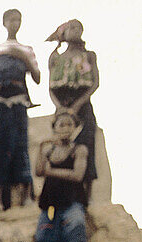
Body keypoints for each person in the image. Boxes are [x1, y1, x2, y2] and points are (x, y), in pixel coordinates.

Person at [0, 8, 40, 211]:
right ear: (4, 23)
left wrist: (21, 56)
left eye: (18, 20)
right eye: (11, 20)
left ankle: (24, 198)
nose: (15, 23)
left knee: (21, 145)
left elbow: (37, 77)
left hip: (18, 101)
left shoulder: (27, 49)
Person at [34, 110, 89, 242]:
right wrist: (41, 148)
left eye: (69, 125)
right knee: (43, 236)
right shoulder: (49, 151)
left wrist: (52, 171)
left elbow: (77, 175)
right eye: (61, 125)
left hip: (72, 201)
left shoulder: (79, 149)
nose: (65, 128)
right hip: (50, 204)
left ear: (74, 128)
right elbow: (39, 171)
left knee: (77, 225)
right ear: (55, 128)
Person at [47, 19, 98, 196]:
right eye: (72, 28)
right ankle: (61, 191)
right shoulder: (56, 58)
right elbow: (50, 88)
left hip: (82, 104)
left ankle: (87, 192)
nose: (76, 31)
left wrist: (76, 106)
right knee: (61, 145)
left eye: (79, 28)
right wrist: (60, 108)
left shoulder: (89, 55)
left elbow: (95, 83)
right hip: (61, 106)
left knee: (87, 142)